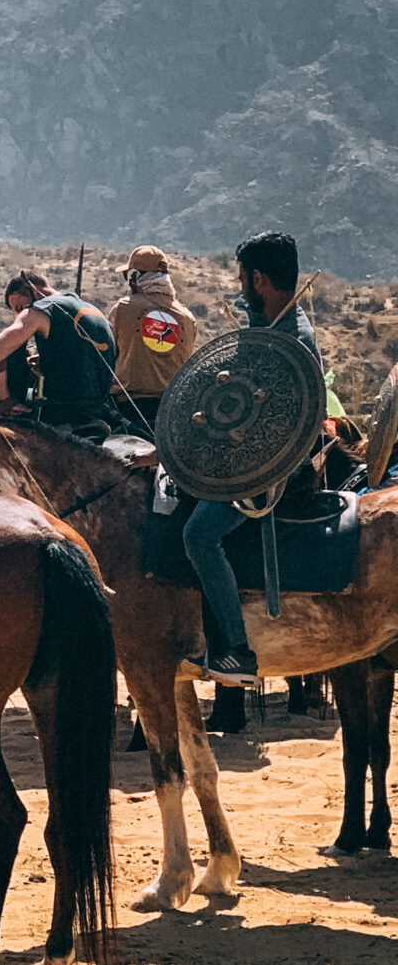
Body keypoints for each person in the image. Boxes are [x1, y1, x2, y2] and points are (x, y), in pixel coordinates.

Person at [181, 232, 322, 687]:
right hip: (253, 457)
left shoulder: (291, 340)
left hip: (272, 470)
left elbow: (275, 428)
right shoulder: (275, 326)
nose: (240, 288)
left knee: (199, 534)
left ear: (258, 278)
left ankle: (237, 651)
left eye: (243, 279)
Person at [0, 270, 120, 434]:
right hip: (100, 411)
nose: (20, 313)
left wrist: (6, 401)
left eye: (19, 307)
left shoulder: (41, 309)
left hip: (63, 418)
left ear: (31, 288)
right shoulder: (93, 310)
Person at [107, 245, 201, 431]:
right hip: (172, 409)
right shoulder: (188, 318)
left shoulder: (123, 308)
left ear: (135, 277)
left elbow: (107, 354)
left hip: (127, 406)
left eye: (128, 276)